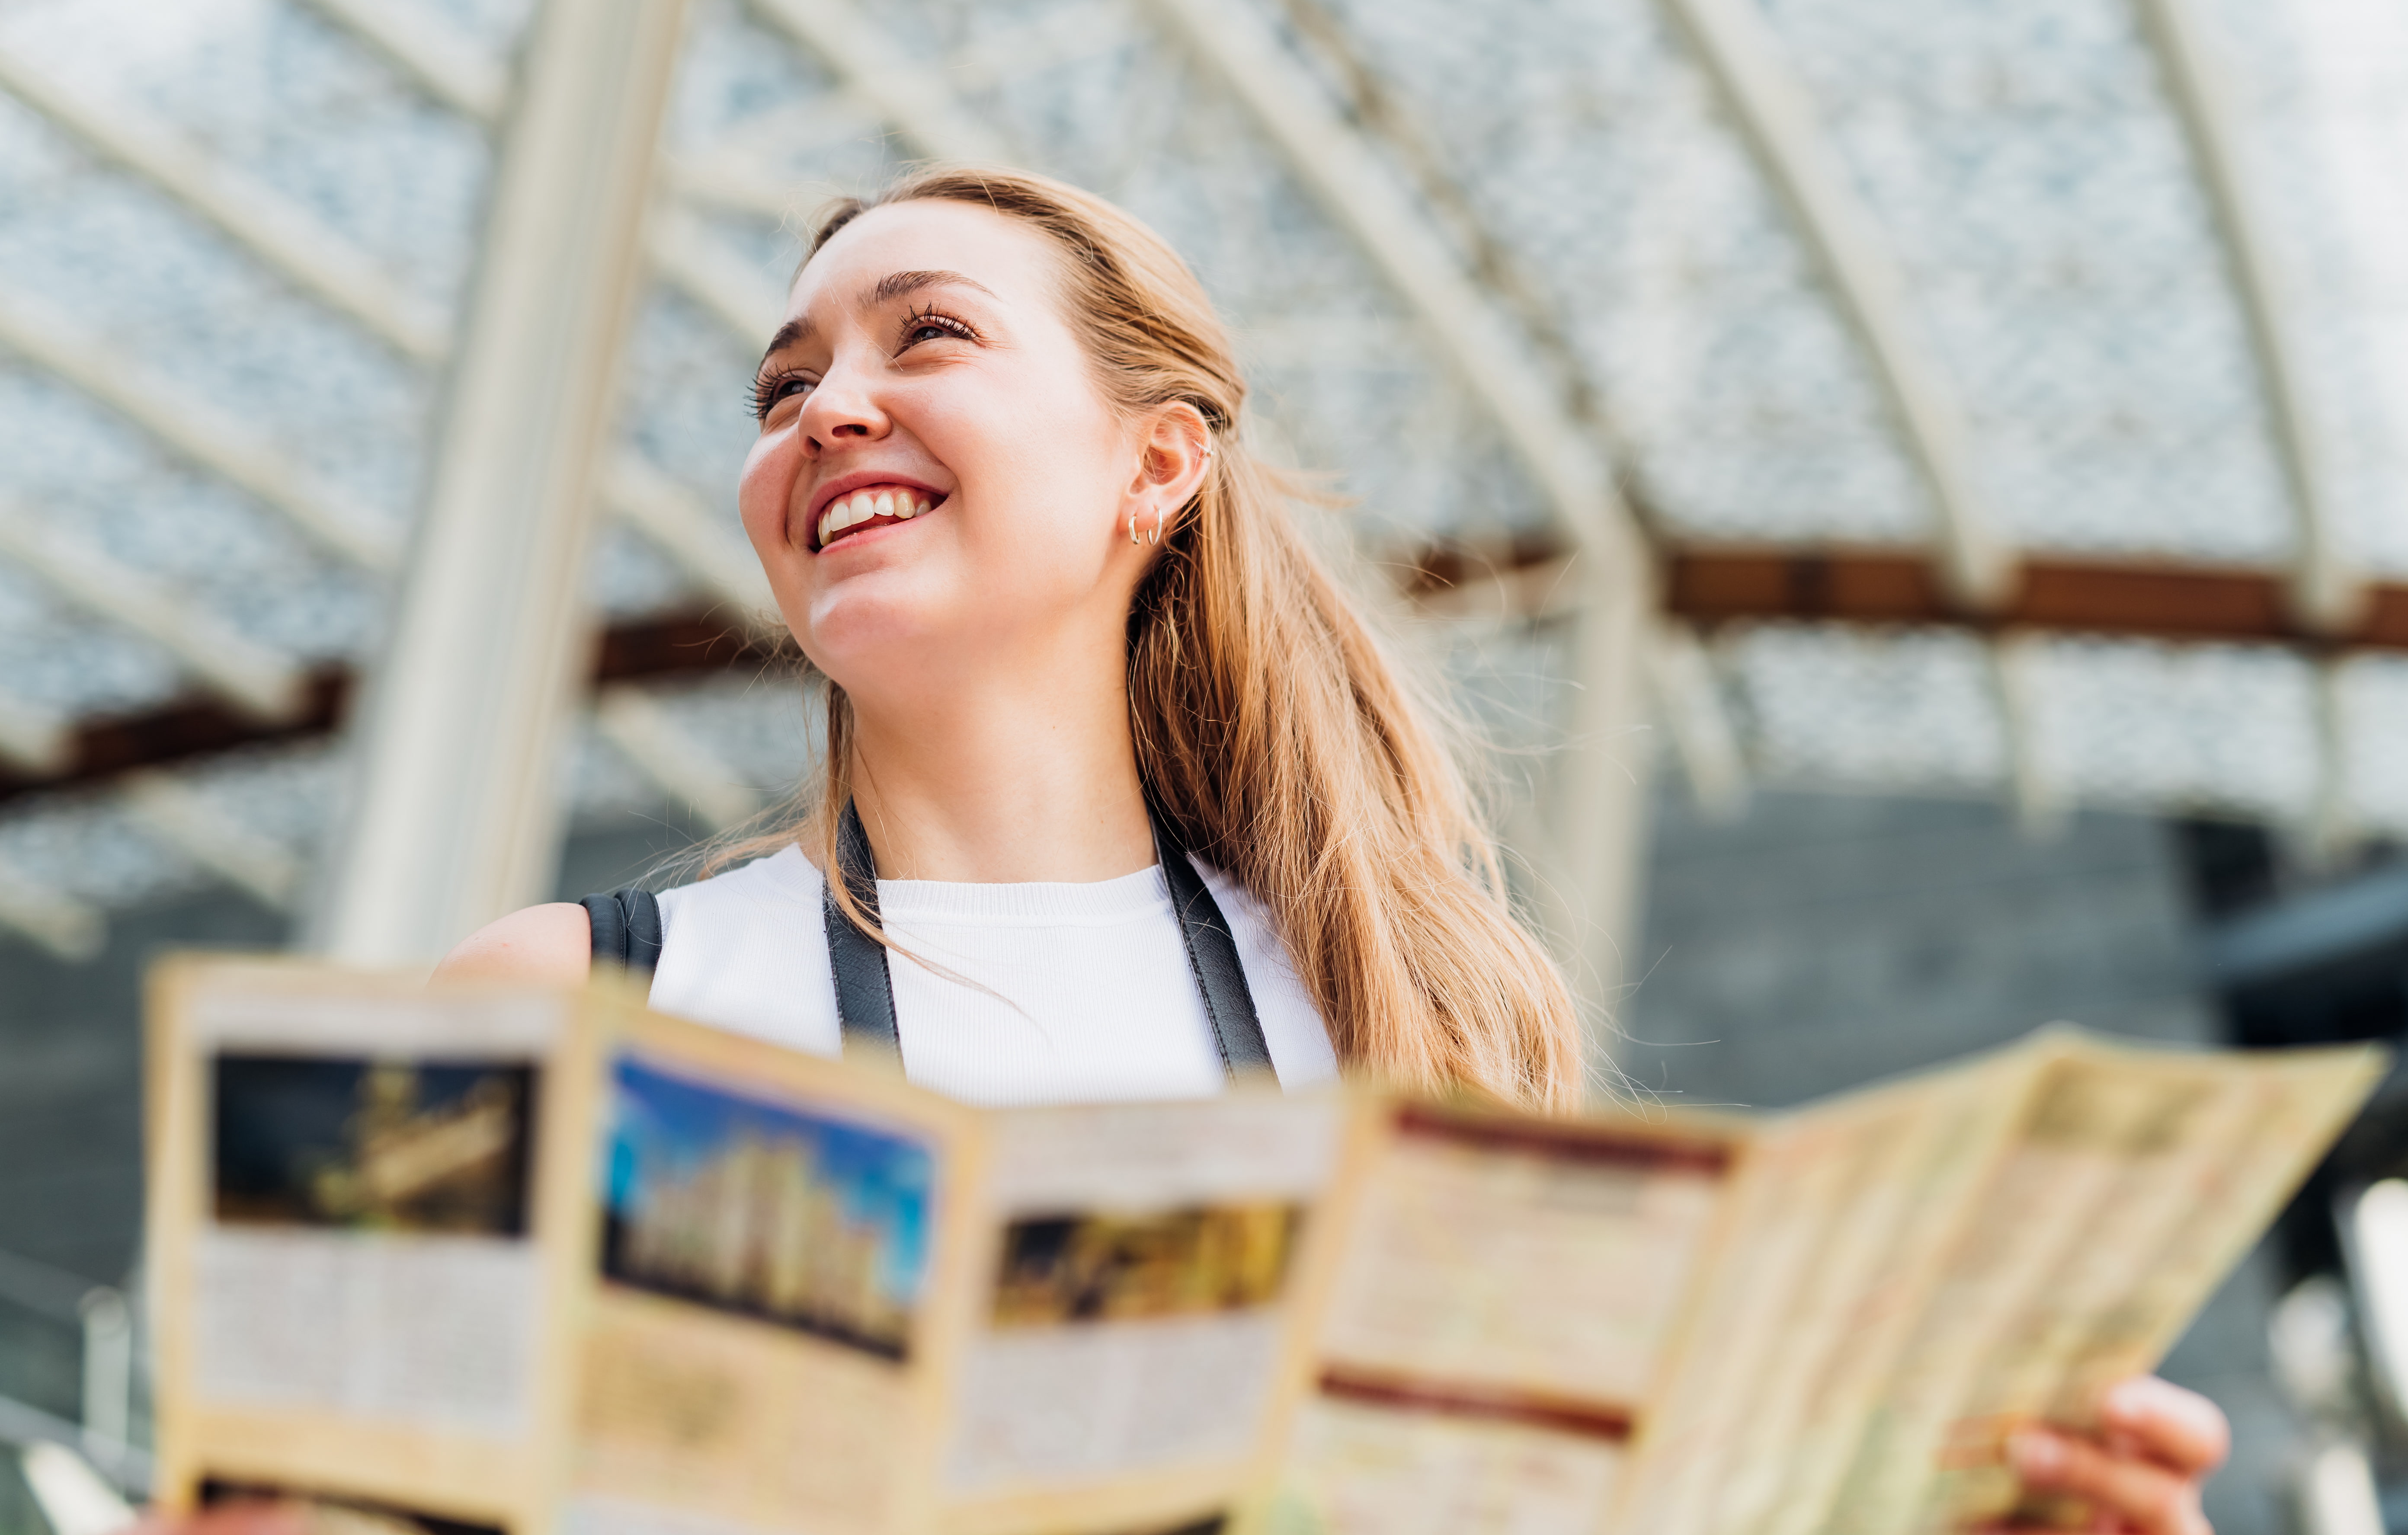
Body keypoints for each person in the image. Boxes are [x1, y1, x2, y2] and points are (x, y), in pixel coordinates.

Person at [434, 166, 2229, 1530]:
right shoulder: (565, 1007)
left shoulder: (1390, 1037)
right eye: (781, 386)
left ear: (1157, 469)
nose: (824, 411)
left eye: (931, 335)